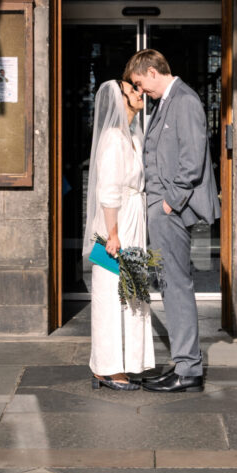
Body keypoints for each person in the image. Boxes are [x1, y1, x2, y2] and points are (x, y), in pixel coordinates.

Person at [125, 49, 220, 393]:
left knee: (177, 285)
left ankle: (189, 370)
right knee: (170, 284)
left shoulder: (185, 100)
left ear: (152, 71)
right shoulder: (167, 100)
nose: (141, 91)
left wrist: (168, 204)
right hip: (164, 211)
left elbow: (192, 161)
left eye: (140, 83)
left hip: (171, 211)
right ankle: (183, 363)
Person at [83, 79, 155, 391]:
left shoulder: (133, 137)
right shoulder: (113, 139)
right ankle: (108, 367)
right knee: (112, 293)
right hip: (119, 225)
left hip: (132, 221)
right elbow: (107, 190)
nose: (140, 93)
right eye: (133, 90)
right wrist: (112, 234)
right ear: (121, 99)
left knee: (131, 293)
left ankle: (127, 361)